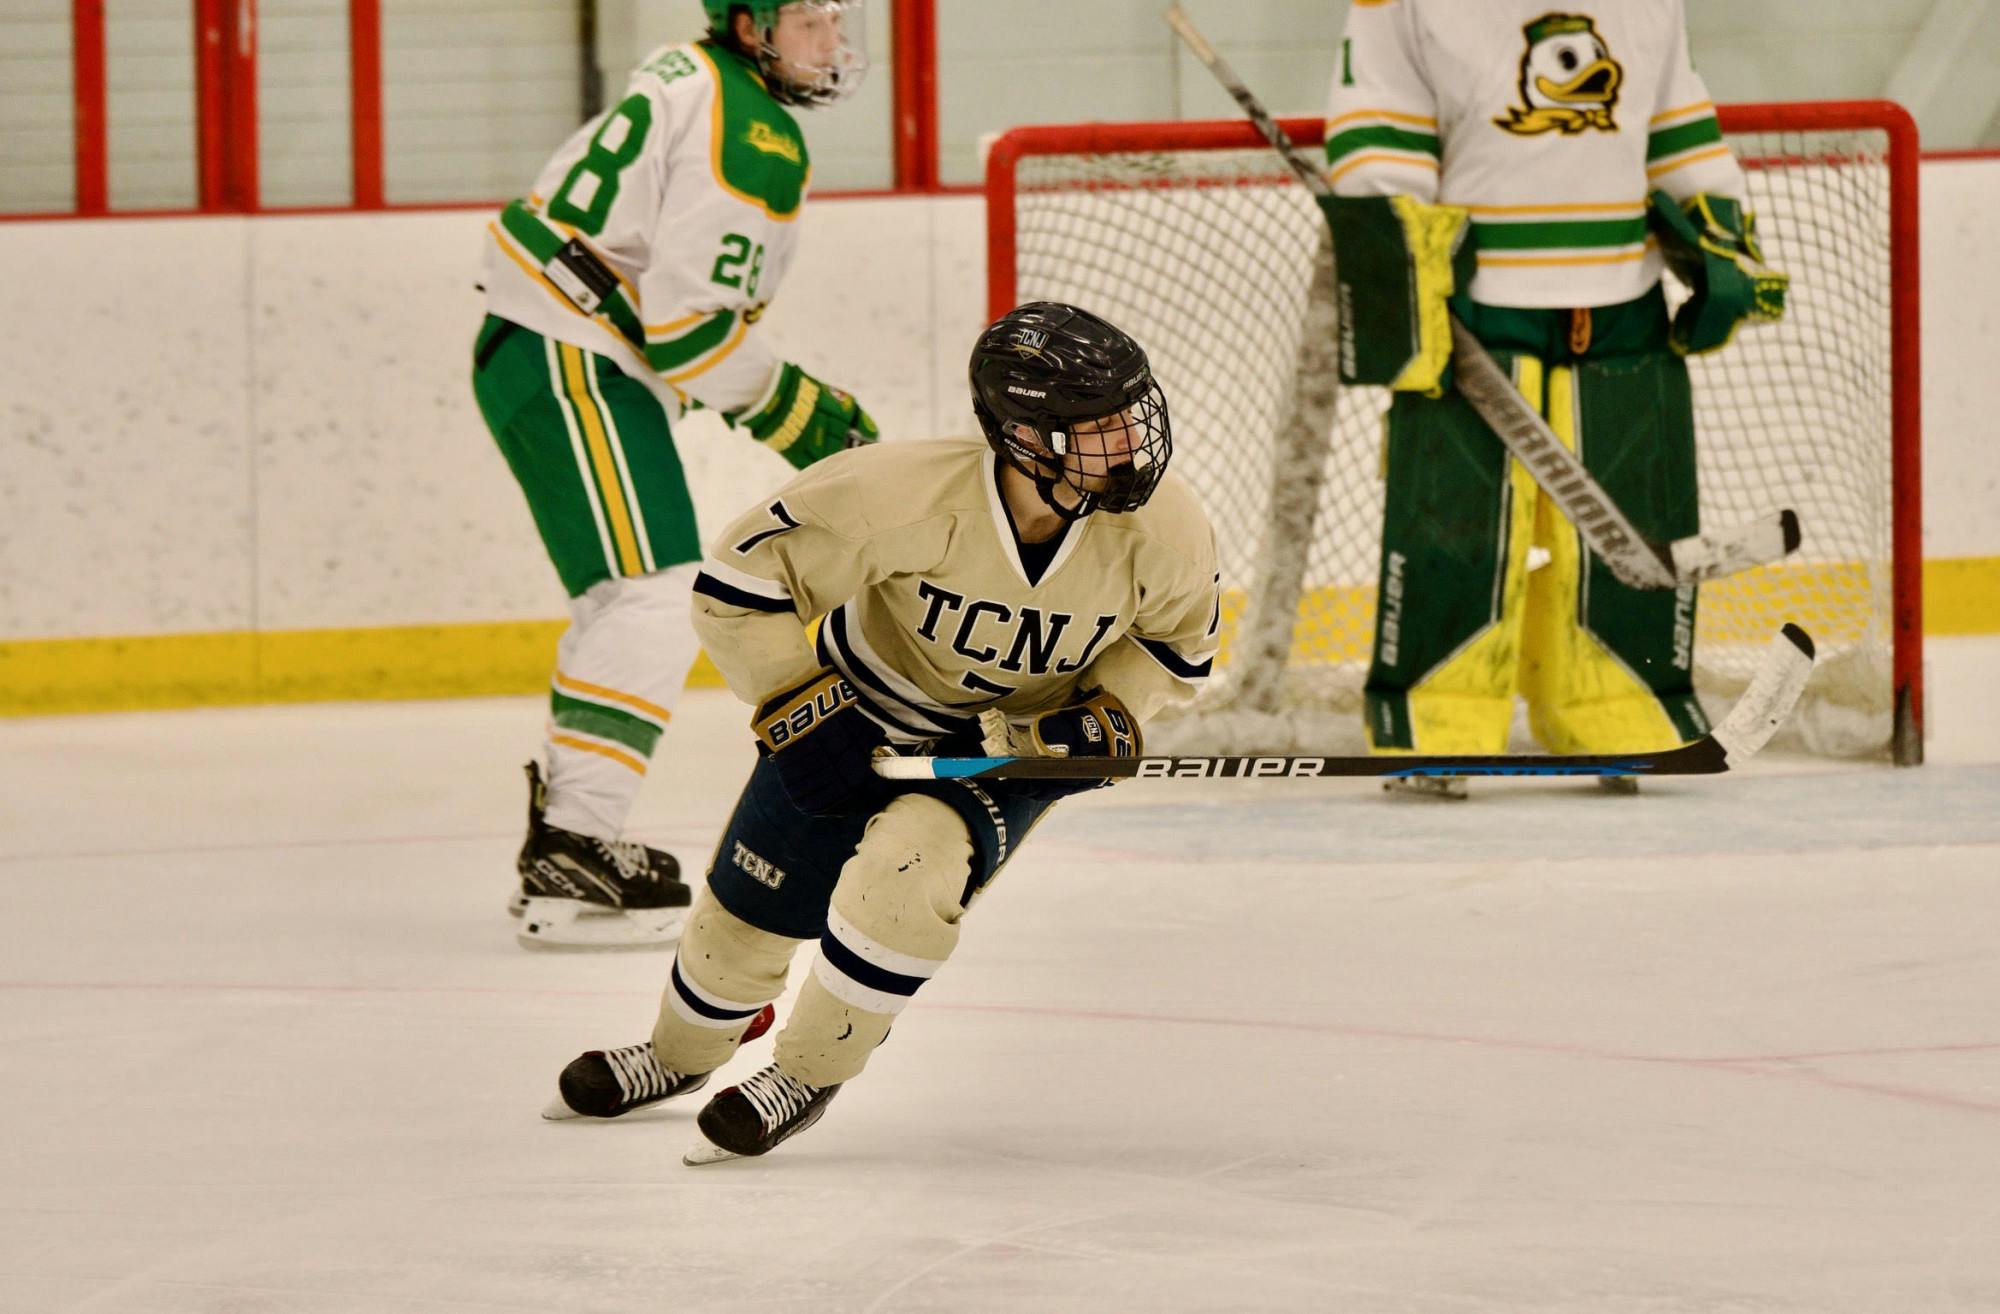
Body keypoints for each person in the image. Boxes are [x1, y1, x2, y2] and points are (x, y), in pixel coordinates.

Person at [539, 302, 1221, 1161]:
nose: (1130, 441)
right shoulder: (896, 493)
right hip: (855, 713)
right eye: (1098, 425)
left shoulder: (1166, 532)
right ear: (1025, 436)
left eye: (1133, 413)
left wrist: (1105, 715)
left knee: (903, 877)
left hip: (1009, 748)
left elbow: (1172, 650)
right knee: (741, 923)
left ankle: (807, 1071)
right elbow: (739, 583)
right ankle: (680, 1057)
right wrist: (801, 715)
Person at [472, 1, 877, 946]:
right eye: (811, 21)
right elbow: (690, 331)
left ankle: (569, 844)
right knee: (652, 596)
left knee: (630, 598)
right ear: (751, 28)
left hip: (550, 346)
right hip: (571, 353)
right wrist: (810, 419)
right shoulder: (756, 127)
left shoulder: (694, 76)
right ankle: (573, 852)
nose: (833, 41)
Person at [1319, 2, 1788, 798]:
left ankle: (1620, 715)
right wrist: (1403, 265)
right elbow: (1379, 131)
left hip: (1625, 312)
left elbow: (1676, 119)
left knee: (1634, 525)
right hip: (1474, 309)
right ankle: (1440, 725)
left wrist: (1718, 232)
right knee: (1456, 530)